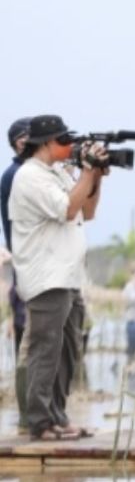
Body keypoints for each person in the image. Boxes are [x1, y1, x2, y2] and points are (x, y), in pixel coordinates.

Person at [10, 115, 108, 441]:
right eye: (62, 140)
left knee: (68, 348)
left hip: (68, 275)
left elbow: (86, 211)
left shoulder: (57, 173)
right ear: (46, 143)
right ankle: (39, 421)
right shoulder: (30, 177)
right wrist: (87, 171)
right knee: (45, 349)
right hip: (46, 275)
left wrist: (95, 176)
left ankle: (58, 416)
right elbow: (67, 209)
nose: (68, 146)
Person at [2, 118, 30, 359]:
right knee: (26, 332)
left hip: (32, 263)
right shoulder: (15, 174)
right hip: (26, 262)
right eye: (27, 137)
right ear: (17, 143)